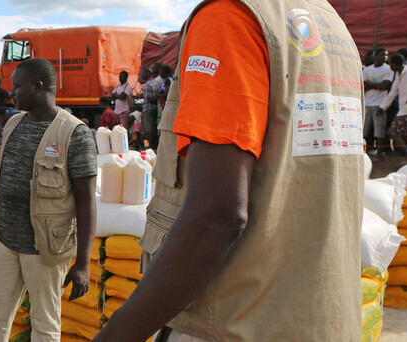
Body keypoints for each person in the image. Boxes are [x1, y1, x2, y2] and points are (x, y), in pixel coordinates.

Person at [95, 1, 363, 340]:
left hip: (236, 319)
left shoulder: (228, 18)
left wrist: (116, 335)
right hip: (321, 318)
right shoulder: (330, 23)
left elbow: (217, 215)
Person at [0, 57, 98, 342]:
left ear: (39, 87)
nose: (12, 93)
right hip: (4, 242)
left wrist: (82, 263)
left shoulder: (74, 134)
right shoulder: (12, 124)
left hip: (44, 250)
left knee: (44, 324)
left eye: (17, 87)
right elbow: (1, 185)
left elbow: (86, 202)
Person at [364, 48, 394, 157]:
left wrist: (370, 84)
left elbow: (385, 86)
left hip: (380, 104)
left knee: (379, 130)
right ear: (375, 56)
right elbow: (363, 86)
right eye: (382, 55)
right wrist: (377, 85)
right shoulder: (367, 69)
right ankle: (365, 151)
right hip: (367, 103)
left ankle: (379, 153)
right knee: (365, 130)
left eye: (386, 55)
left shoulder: (387, 69)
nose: (385, 57)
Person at [142, 66, 165, 148]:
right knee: (153, 128)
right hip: (155, 108)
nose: (142, 74)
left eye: (143, 72)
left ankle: (150, 146)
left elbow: (151, 98)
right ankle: (154, 145)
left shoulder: (148, 84)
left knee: (148, 129)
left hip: (148, 108)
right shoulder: (155, 83)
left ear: (148, 74)